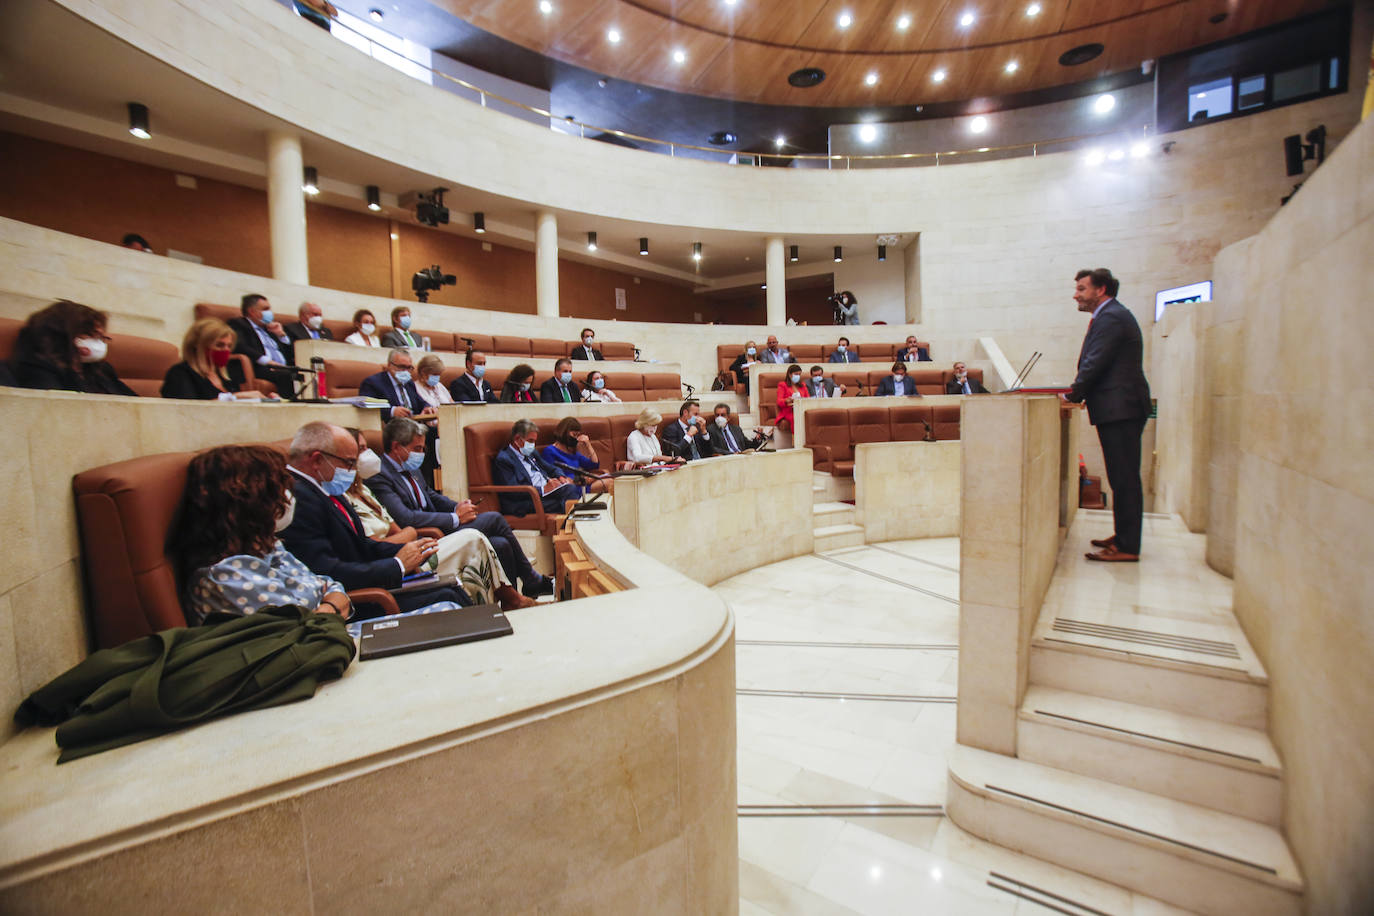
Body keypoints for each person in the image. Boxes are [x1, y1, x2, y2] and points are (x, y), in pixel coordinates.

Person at [277, 423, 470, 614]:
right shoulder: (298, 498)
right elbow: (326, 571)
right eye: (349, 463)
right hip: (357, 599)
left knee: (450, 587)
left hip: (369, 582)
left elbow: (361, 544)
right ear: (317, 460)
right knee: (447, 596)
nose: (353, 470)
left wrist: (408, 551)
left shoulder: (325, 489)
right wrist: (397, 565)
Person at [344, 426, 535, 609]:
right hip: (416, 544)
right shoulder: (376, 477)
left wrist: (457, 507)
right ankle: (529, 583)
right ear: (396, 447)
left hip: (419, 540)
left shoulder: (365, 490)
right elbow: (405, 520)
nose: (369, 453)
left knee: (500, 543)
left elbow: (429, 497)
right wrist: (453, 518)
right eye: (362, 449)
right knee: (491, 521)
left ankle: (508, 603)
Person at [176, 444, 360, 626]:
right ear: (249, 502)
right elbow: (304, 630)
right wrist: (332, 607)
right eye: (277, 491)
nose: (287, 498)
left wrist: (328, 606)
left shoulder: (268, 547)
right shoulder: (225, 575)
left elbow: (329, 585)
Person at [1062, 268, 1151, 563]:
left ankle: (1127, 546)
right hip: (1119, 408)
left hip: (1120, 409)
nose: (1076, 294)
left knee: (1124, 478)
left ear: (1101, 290)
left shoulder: (1111, 316)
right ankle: (1124, 536)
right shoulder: (1110, 315)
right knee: (1121, 477)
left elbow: (1095, 361)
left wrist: (1073, 395)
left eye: (1082, 289)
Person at [11, 300, 136, 396]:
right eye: (89, 334)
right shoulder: (36, 367)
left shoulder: (103, 370)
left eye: (100, 337)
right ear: (61, 334)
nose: (98, 343)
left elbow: (134, 403)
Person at [161, 318, 272, 401]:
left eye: (229, 346)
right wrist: (234, 397)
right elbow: (189, 410)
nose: (226, 350)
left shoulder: (225, 375)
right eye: (219, 345)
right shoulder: (180, 373)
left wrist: (265, 400)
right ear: (198, 345)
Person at [492, 419, 580, 515]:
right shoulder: (504, 459)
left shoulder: (531, 453)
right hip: (525, 501)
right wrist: (543, 489)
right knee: (567, 499)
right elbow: (513, 491)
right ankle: (569, 525)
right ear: (517, 439)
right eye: (530, 441)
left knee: (569, 489)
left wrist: (561, 477)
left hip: (546, 493)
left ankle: (570, 525)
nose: (532, 445)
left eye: (534, 441)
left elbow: (551, 468)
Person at [229, 294, 297, 398]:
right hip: (259, 367)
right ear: (252, 311)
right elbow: (239, 346)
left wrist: (281, 335)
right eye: (266, 309)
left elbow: (292, 353)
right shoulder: (238, 324)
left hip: (283, 367)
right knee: (289, 376)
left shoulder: (270, 329)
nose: (270, 312)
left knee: (306, 374)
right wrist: (268, 362)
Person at [358, 349, 432, 422]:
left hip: (414, 422)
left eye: (409, 368)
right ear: (389, 365)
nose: (406, 371)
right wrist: (392, 411)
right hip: (393, 425)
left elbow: (420, 402)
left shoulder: (409, 382)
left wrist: (427, 407)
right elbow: (367, 408)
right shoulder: (373, 382)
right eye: (402, 367)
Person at [540, 417, 610, 494]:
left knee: (609, 481)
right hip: (568, 489)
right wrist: (581, 480)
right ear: (564, 432)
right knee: (608, 483)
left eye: (578, 435)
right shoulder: (550, 451)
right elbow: (551, 475)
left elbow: (594, 465)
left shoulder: (573, 452)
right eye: (574, 435)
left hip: (582, 484)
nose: (576, 438)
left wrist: (588, 445)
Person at [775, 363, 809, 431]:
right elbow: (779, 401)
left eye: (799, 374)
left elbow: (807, 398)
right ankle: (796, 440)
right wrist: (787, 400)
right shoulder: (782, 385)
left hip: (801, 410)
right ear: (790, 374)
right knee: (796, 418)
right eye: (796, 374)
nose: (798, 376)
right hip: (789, 411)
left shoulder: (803, 385)